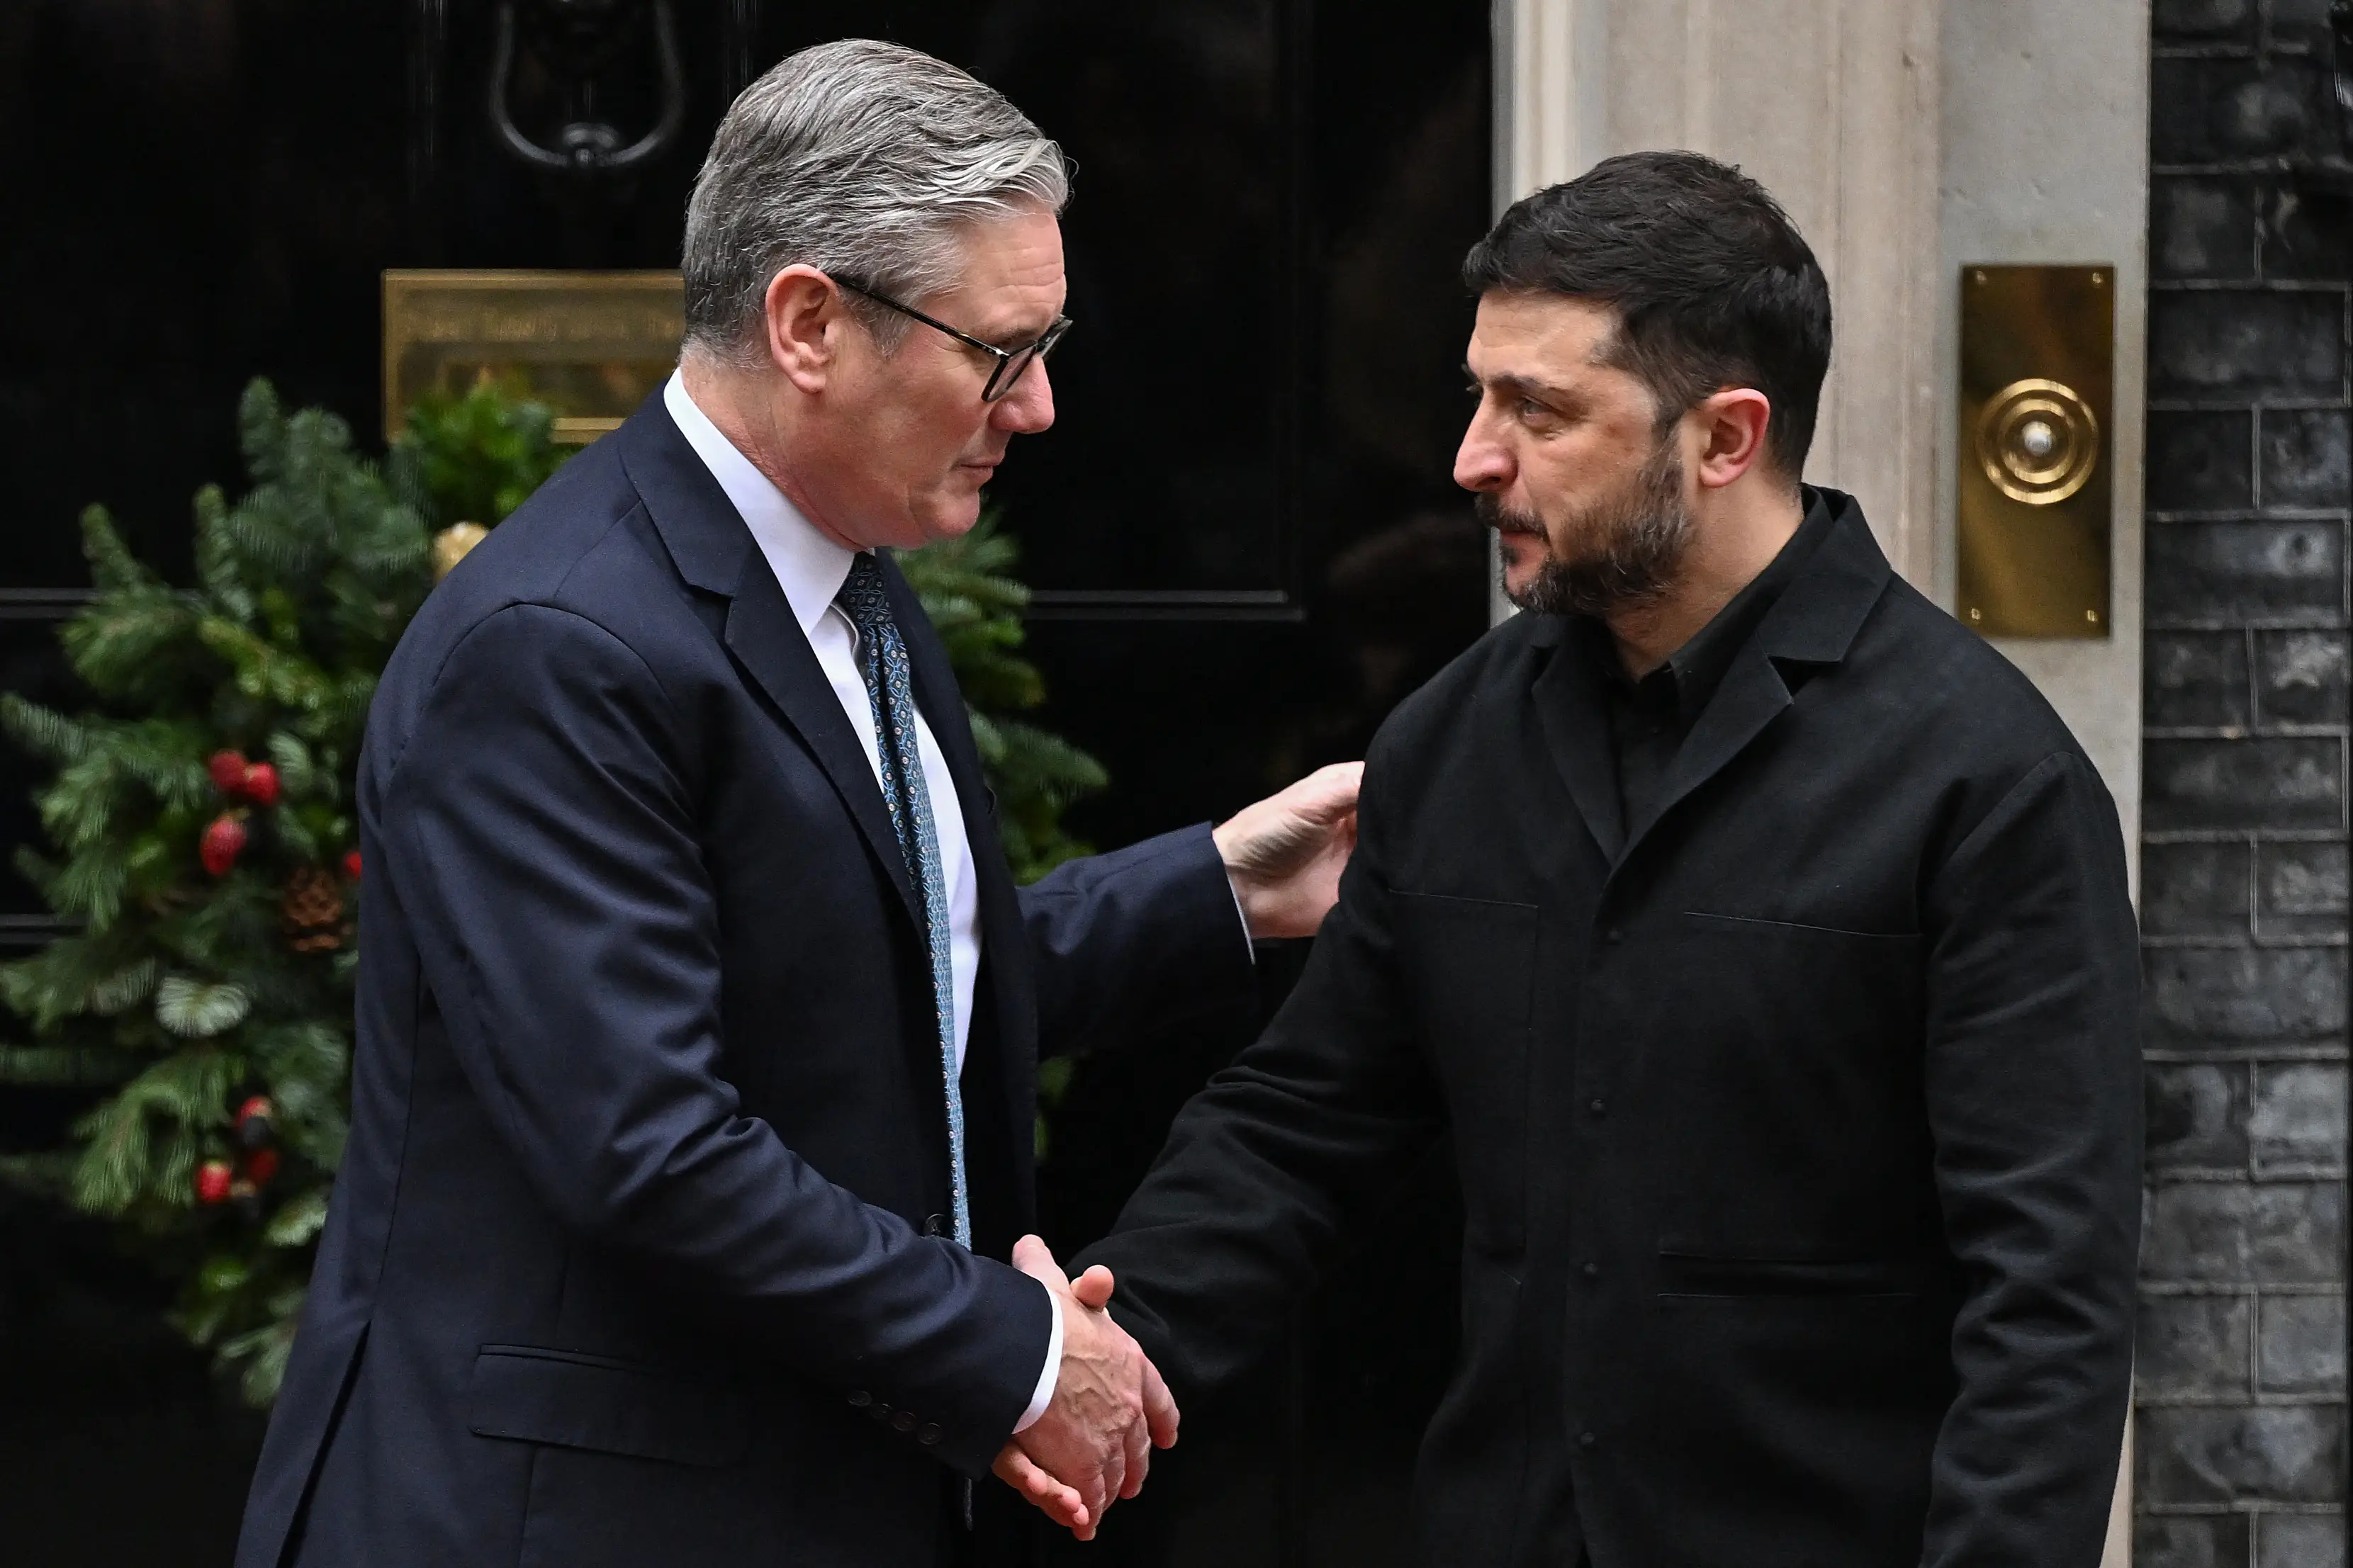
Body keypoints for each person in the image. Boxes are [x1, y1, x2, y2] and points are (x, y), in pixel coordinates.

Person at [232, 39, 1360, 1568]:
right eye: (1000, 353)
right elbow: (650, 1150)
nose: (1038, 407)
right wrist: (1022, 1356)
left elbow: (854, 987)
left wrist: (1223, 887)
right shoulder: (557, 644)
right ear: (810, 323)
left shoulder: (847, 575)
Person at [1080, 150, 2142, 1567]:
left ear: (1724, 437)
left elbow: (2047, 1291)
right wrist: (1099, 1346)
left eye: (1539, 410)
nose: (1473, 457)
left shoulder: (1983, 782)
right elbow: (1305, 1121)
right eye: (1479, 396)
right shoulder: (1453, 740)